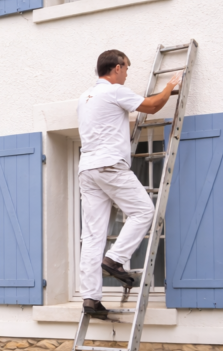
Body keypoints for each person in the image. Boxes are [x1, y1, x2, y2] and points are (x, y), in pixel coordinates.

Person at [78, 49, 182, 319]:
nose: (127, 74)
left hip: (87, 168)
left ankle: (90, 299)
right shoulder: (113, 91)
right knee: (144, 211)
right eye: (126, 68)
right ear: (115, 69)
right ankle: (115, 259)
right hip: (109, 164)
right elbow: (153, 106)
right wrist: (171, 85)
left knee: (91, 237)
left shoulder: (85, 98)